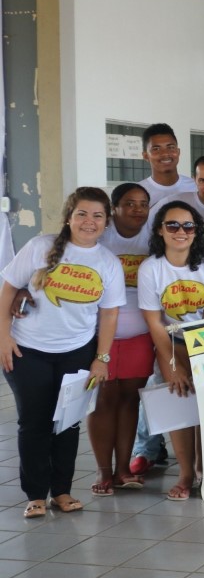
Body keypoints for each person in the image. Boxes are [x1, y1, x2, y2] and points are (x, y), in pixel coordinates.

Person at [0, 188, 125, 518]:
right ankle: (36, 495)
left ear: (106, 222)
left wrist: (101, 358)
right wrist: (3, 337)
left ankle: (62, 491)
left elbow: (109, 314)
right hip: (27, 351)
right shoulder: (40, 247)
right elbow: (8, 288)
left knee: (67, 424)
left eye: (97, 215)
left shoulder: (108, 263)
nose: (89, 221)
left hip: (78, 352)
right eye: (82, 214)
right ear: (69, 217)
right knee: (34, 422)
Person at [138, 201, 204, 502]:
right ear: (160, 230)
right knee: (179, 402)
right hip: (171, 342)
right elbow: (154, 322)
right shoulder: (151, 268)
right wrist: (173, 365)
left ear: (196, 230)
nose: (181, 231)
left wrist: (200, 357)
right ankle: (186, 474)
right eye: (172, 225)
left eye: (188, 226)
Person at [89, 184, 155, 495]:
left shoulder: (154, 237)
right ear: (113, 208)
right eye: (129, 203)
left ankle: (123, 469)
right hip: (97, 336)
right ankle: (103, 472)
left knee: (130, 400)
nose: (137, 209)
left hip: (140, 334)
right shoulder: (100, 236)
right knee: (103, 400)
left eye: (143, 204)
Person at [137, 123, 195, 205]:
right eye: (156, 149)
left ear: (178, 152)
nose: (165, 154)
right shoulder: (137, 193)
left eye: (170, 147)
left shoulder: (196, 187)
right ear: (146, 156)